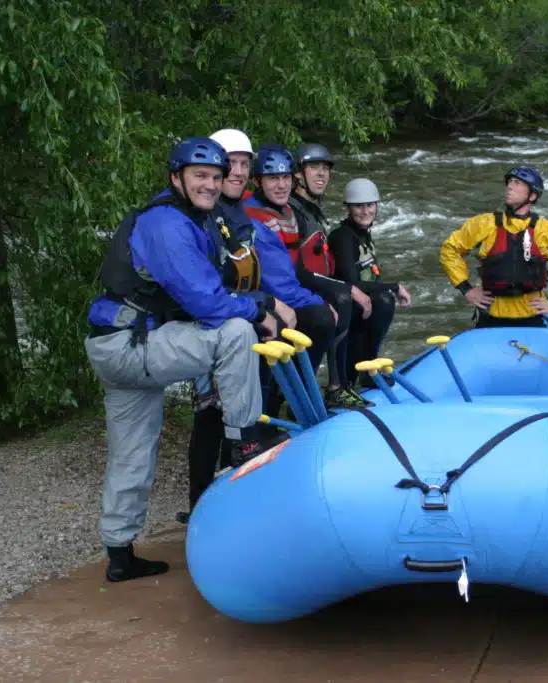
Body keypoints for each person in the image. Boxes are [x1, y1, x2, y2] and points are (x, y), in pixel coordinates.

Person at [85, 136, 296, 582]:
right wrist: (261, 310)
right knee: (236, 332)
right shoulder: (167, 223)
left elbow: (205, 291)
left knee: (131, 452)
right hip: (132, 346)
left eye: (217, 178)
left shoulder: (189, 219)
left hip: (119, 346)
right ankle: (244, 442)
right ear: (175, 178)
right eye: (200, 176)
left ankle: (119, 553)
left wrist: (257, 300)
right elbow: (208, 304)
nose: (211, 185)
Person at [180, 129, 336, 522]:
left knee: (240, 414)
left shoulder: (234, 214)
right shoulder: (199, 215)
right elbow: (207, 284)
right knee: (212, 415)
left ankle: (233, 493)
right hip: (215, 325)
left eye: (242, 164)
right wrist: (265, 303)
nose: (235, 171)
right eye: (228, 163)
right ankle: (201, 503)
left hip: (244, 322)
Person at [243, 143, 369, 409]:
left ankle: (316, 390)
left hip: (284, 288)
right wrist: (316, 301)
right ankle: (289, 399)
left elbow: (293, 270)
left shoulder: (287, 211)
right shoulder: (255, 219)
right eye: (272, 178)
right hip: (265, 297)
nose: (280, 185)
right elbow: (277, 280)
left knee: (340, 304)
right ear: (258, 181)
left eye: (284, 177)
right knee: (323, 317)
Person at [439, 166, 548, 327]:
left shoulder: (547, 230)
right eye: (509, 182)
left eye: (517, 183)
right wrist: (466, 289)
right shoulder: (485, 224)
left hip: (532, 315)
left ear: (532, 195)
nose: (509, 186)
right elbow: (450, 250)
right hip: (490, 314)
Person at [328, 178, 412, 388]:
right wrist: (394, 287)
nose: (365, 211)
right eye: (358, 206)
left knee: (382, 300)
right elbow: (350, 282)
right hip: (347, 311)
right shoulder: (343, 237)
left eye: (369, 205)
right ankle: (347, 381)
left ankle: (368, 370)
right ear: (348, 208)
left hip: (362, 310)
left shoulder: (362, 235)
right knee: (384, 300)